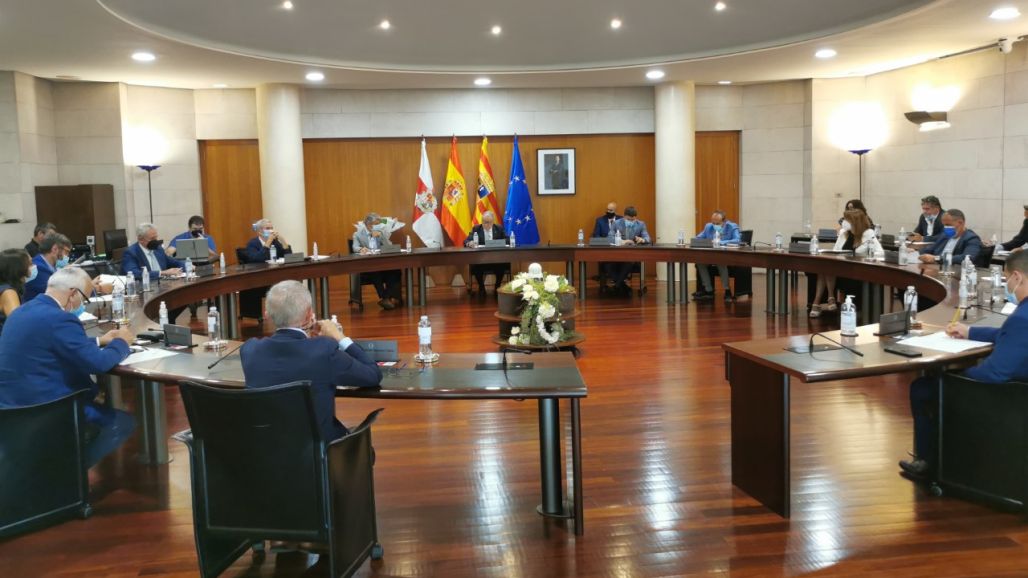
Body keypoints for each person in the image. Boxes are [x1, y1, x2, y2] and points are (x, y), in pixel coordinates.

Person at [900, 250, 1028, 477]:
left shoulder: (1021, 318)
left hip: (1012, 396)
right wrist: (970, 332)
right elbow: (1008, 335)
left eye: (1006, 278)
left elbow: (993, 374)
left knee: (923, 388)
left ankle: (928, 463)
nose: (1007, 285)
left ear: (1017, 276)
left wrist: (957, 375)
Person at [0, 267, 136, 468]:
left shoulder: (21, 311)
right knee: (120, 423)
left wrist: (99, 340)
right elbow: (98, 363)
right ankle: (69, 473)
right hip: (47, 409)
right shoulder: (61, 318)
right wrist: (122, 342)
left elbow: (51, 343)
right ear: (73, 294)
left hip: (10, 408)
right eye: (85, 299)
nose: (83, 305)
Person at [240, 280, 382, 441]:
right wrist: (339, 337)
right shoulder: (324, 350)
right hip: (318, 450)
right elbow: (372, 374)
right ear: (309, 315)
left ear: (267, 315)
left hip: (268, 448)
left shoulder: (250, 350)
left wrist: (308, 339)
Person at [810, 209, 880, 318]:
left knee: (826, 269)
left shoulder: (868, 234)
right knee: (826, 266)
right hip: (842, 270)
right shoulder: (844, 233)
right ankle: (830, 298)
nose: (844, 222)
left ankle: (820, 302)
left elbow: (880, 252)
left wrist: (866, 257)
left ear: (856, 222)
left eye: (847, 220)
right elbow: (835, 250)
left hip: (858, 271)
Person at [352, 213, 402, 310]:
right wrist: (361, 249)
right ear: (368, 224)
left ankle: (385, 298)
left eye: (378, 224)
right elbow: (355, 247)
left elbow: (388, 247)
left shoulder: (380, 232)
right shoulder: (358, 234)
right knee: (375, 272)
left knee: (396, 271)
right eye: (375, 224)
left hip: (382, 263)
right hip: (368, 265)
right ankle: (385, 298)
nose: (377, 226)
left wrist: (382, 237)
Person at [692, 210, 742, 302]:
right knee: (700, 263)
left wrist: (722, 242)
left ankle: (727, 290)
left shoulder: (732, 226)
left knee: (720, 261)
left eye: (717, 223)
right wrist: (697, 241)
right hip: (711, 256)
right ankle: (708, 290)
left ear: (724, 221)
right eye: (713, 223)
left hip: (728, 257)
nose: (715, 225)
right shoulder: (708, 227)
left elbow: (737, 240)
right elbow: (698, 238)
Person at [608, 206, 651, 296]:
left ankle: (617, 286)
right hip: (617, 256)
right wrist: (622, 241)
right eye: (628, 219)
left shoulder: (641, 224)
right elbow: (610, 238)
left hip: (633, 256)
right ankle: (622, 286)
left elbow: (647, 238)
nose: (631, 221)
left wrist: (642, 239)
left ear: (636, 218)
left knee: (629, 262)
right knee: (607, 265)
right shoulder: (616, 223)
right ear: (624, 216)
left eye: (633, 220)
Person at [464, 210, 509, 295]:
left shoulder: (498, 228)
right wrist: (469, 243)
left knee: (502, 265)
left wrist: (499, 243)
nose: (486, 224)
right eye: (484, 222)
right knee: (476, 267)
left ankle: (497, 286)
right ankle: (481, 287)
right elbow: (466, 240)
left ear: (493, 222)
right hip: (482, 260)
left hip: (496, 260)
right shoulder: (477, 229)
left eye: (488, 222)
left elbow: (508, 240)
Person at [917, 209, 982, 265]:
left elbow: (967, 258)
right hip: (935, 268)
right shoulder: (945, 235)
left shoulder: (972, 238)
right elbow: (930, 249)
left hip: (954, 271)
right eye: (944, 225)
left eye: (948, 225)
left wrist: (936, 258)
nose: (946, 228)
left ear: (961, 223)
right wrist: (918, 252)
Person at [24, 232, 72, 302]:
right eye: (66, 252)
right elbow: (58, 293)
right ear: (54, 249)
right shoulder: (38, 268)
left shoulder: (52, 266)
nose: (67, 256)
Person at [0, 249, 32, 336]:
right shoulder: (8, 293)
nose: (33, 267)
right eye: (30, 264)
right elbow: (17, 324)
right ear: (18, 268)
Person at [591, 202, 621, 289]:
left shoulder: (621, 220)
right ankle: (616, 283)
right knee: (605, 263)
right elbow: (596, 235)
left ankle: (618, 283)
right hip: (605, 249)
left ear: (615, 211)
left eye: (611, 210)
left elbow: (625, 235)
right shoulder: (600, 220)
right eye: (607, 210)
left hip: (619, 250)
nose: (608, 212)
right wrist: (606, 241)